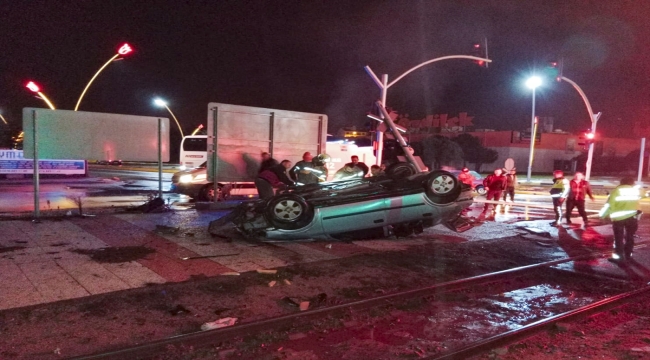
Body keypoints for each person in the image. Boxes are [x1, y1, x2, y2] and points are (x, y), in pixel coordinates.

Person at [599, 177, 643, 262]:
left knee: (618, 238)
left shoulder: (617, 190)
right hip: (632, 217)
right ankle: (628, 255)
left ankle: (619, 257)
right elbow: (643, 194)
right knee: (630, 237)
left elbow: (609, 205)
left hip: (619, 218)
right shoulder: (635, 190)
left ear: (621, 183)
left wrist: (602, 215)